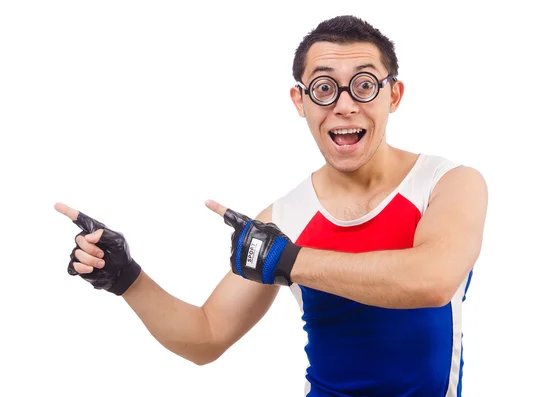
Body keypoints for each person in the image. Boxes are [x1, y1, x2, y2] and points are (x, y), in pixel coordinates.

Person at [55, 15, 488, 397]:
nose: (344, 105)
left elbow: (433, 281)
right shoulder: (284, 220)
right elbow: (207, 336)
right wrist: (127, 278)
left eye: (364, 84)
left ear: (393, 95)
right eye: (323, 87)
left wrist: (289, 260)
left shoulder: (447, 183)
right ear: (300, 102)